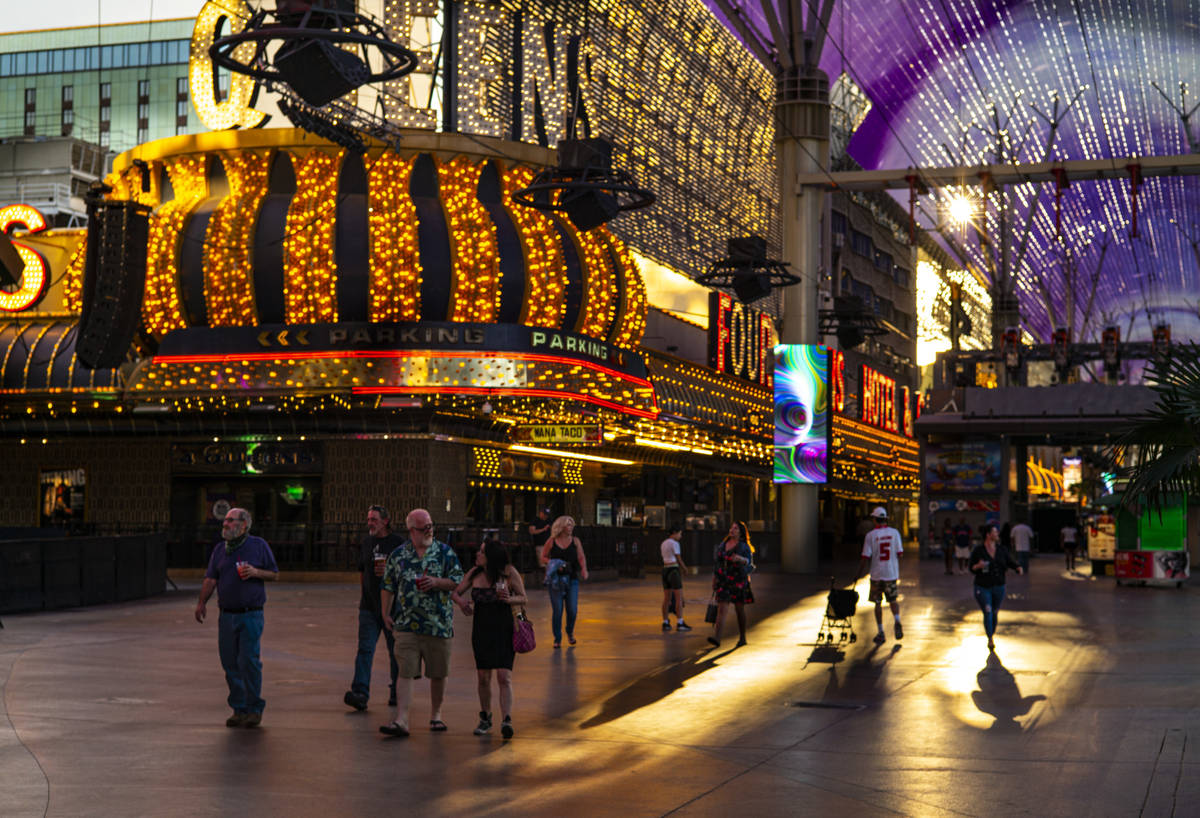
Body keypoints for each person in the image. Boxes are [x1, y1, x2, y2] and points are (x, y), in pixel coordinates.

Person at [378, 509, 465, 737]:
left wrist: (436, 581)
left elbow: (458, 581)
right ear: (411, 530)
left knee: (438, 672)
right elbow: (387, 585)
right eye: (423, 527)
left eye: (430, 526)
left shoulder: (445, 553)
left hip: (438, 624)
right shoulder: (398, 555)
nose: (428, 531)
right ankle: (401, 720)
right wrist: (385, 612)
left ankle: (436, 715)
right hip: (406, 624)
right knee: (405, 671)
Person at [194, 508, 279, 728]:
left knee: (249, 661)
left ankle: (254, 708)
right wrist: (202, 602)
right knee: (230, 663)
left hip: (250, 614)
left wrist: (256, 572)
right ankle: (239, 708)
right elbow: (211, 579)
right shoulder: (220, 551)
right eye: (225, 521)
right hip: (227, 616)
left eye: (230, 521)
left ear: (244, 525)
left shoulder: (258, 545)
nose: (225, 524)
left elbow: (274, 573)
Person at [455, 539, 527, 739]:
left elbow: (523, 597)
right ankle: (485, 717)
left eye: (482, 552)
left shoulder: (509, 572)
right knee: (483, 677)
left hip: (504, 629)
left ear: (491, 557)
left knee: (504, 676)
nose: (477, 554)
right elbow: (456, 592)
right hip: (481, 631)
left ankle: (507, 720)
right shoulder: (474, 573)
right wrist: (462, 603)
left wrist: (508, 598)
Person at [344, 505, 404, 712]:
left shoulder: (398, 543)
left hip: (392, 607)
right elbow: (362, 570)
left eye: (374, 519)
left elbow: (406, 572)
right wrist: (365, 594)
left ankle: (397, 691)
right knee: (365, 649)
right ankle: (360, 692)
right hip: (369, 606)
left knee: (395, 651)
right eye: (368, 519)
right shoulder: (367, 542)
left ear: (385, 521)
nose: (370, 523)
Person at [970, 523, 1023, 650]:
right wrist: (978, 566)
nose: (997, 534)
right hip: (982, 586)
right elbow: (971, 568)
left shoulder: (1001, 549)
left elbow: (1009, 562)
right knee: (988, 611)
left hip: (999, 586)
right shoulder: (978, 550)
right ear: (988, 535)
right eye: (995, 532)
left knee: (994, 612)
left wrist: (1017, 567)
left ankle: (991, 633)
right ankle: (990, 639)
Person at [539, 515, 589, 648]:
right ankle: (557, 638)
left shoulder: (575, 541)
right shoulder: (552, 541)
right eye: (568, 525)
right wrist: (554, 563)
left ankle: (570, 631)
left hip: (571, 579)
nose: (571, 527)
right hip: (556, 581)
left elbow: (581, 557)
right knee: (558, 610)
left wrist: (584, 569)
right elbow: (543, 556)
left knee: (572, 609)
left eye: (572, 525)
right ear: (561, 527)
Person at [856, 507, 903, 645]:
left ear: (875, 519)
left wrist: (858, 574)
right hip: (891, 574)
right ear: (886, 519)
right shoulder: (895, 533)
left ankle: (881, 632)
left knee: (877, 603)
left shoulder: (870, 536)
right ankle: (897, 620)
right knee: (893, 600)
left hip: (877, 575)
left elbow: (865, 557)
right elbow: (900, 553)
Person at [707, 521, 755, 648]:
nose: (732, 530)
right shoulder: (723, 545)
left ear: (741, 532)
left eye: (735, 528)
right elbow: (717, 563)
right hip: (724, 579)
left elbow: (750, 564)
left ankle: (743, 637)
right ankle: (717, 638)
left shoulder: (744, 547)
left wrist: (740, 559)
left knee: (739, 609)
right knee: (722, 609)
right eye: (731, 527)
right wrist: (714, 578)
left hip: (738, 580)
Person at [660, 525, 691, 632]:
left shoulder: (663, 543)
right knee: (679, 598)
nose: (680, 536)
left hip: (665, 570)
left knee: (666, 598)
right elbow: (678, 558)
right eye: (680, 534)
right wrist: (685, 568)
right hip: (673, 570)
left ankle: (665, 622)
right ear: (675, 533)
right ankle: (680, 622)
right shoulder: (675, 544)